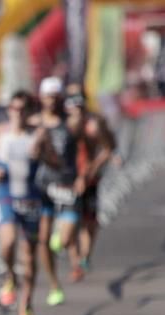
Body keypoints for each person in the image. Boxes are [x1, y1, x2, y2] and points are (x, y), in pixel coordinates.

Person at [0, 90, 45, 315]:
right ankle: (10, 276)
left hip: (30, 199)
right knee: (7, 244)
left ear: (29, 112)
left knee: (29, 255)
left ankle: (26, 304)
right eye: (13, 108)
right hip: (6, 195)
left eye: (22, 109)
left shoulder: (38, 135)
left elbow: (54, 161)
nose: (17, 113)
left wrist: (43, 153)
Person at [62, 84, 115, 275]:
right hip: (68, 181)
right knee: (69, 225)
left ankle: (84, 257)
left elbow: (107, 148)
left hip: (90, 181)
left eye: (77, 100)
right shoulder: (63, 124)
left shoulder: (93, 124)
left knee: (88, 222)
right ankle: (75, 259)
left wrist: (91, 170)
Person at [32, 76, 74, 303]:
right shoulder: (35, 123)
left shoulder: (70, 122)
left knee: (64, 239)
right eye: (47, 96)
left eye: (55, 96)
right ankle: (54, 285)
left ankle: (65, 242)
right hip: (42, 186)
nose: (51, 101)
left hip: (66, 184)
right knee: (43, 239)